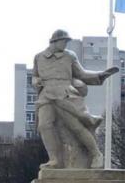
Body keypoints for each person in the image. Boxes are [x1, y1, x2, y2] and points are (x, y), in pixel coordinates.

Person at [33, 29, 119, 169]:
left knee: (76, 126)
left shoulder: (69, 56)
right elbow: (35, 75)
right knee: (44, 125)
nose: (66, 44)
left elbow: (82, 74)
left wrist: (100, 75)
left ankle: (96, 154)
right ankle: (54, 159)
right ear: (54, 41)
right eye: (64, 41)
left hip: (64, 93)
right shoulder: (39, 57)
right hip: (46, 94)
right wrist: (35, 81)